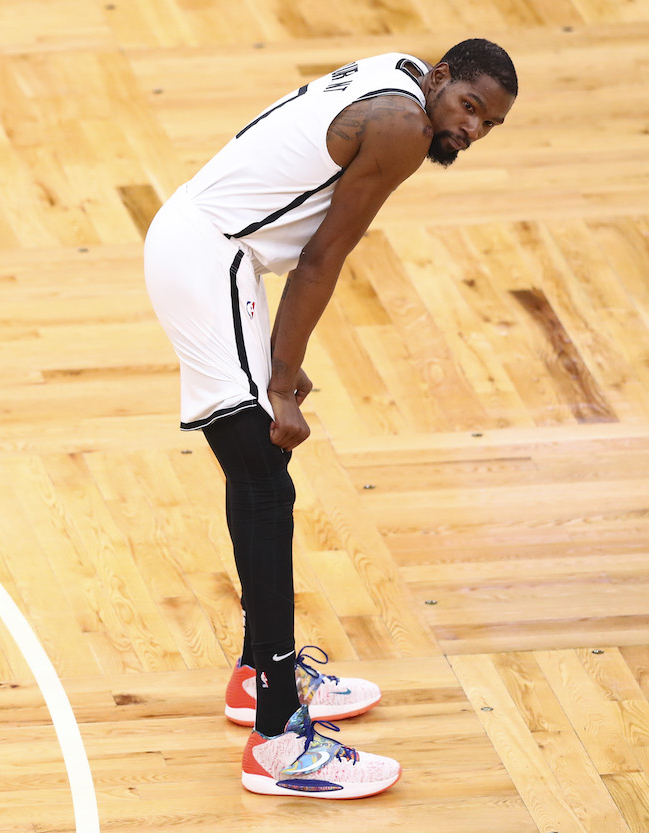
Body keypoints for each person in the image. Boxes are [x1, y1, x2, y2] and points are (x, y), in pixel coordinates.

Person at [143, 39, 517, 799]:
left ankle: (258, 676)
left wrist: (275, 354)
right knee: (264, 478)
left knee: (259, 473)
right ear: (440, 80)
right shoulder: (402, 130)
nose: (471, 131)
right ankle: (278, 740)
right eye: (470, 108)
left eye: (490, 125)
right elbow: (322, 256)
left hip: (221, 256)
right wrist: (278, 382)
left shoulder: (398, 71)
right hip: (210, 259)